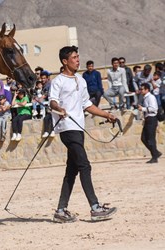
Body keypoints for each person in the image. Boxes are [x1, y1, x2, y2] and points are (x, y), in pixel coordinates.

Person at [49, 45, 117, 223]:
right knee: (84, 166)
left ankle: (61, 211)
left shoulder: (81, 79)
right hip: (67, 128)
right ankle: (95, 208)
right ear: (65, 61)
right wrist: (59, 108)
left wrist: (107, 114)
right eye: (74, 57)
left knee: (72, 171)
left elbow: (87, 104)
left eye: (78, 57)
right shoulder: (58, 81)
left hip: (79, 128)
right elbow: (52, 102)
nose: (78, 60)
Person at [137, 83, 162, 163]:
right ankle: (156, 153)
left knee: (151, 139)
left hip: (152, 119)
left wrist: (143, 109)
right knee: (143, 138)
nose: (141, 91)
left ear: (147, 89)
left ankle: (154, 157)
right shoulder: (145, 97)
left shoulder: (151, 97)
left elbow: (154, 108)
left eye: (142, 89)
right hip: (148, 119)